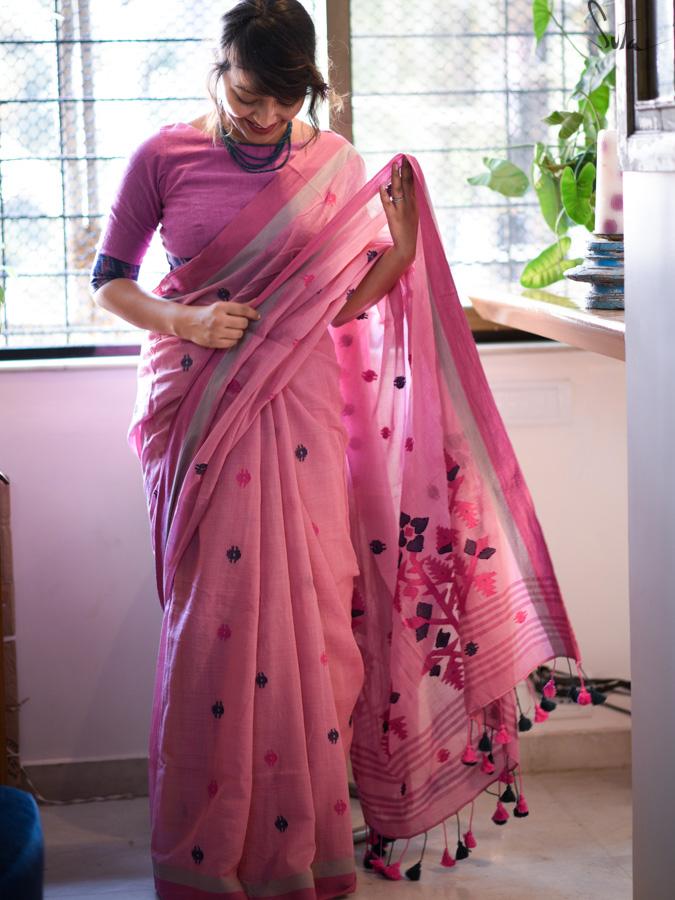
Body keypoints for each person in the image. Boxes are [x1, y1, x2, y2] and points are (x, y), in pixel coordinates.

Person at [91, 2, 583, 898]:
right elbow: (109, 283)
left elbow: (339, 303)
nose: (265, 117)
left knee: (317, 621)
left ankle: (300, 848)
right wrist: (188, 321)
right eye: (247, 96)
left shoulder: (336, 166)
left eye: (284, 101)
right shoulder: (162, 155)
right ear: (220, 68)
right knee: (209, 625)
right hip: (199, 410)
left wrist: (397, 252)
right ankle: (205, 853)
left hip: (303, 415)